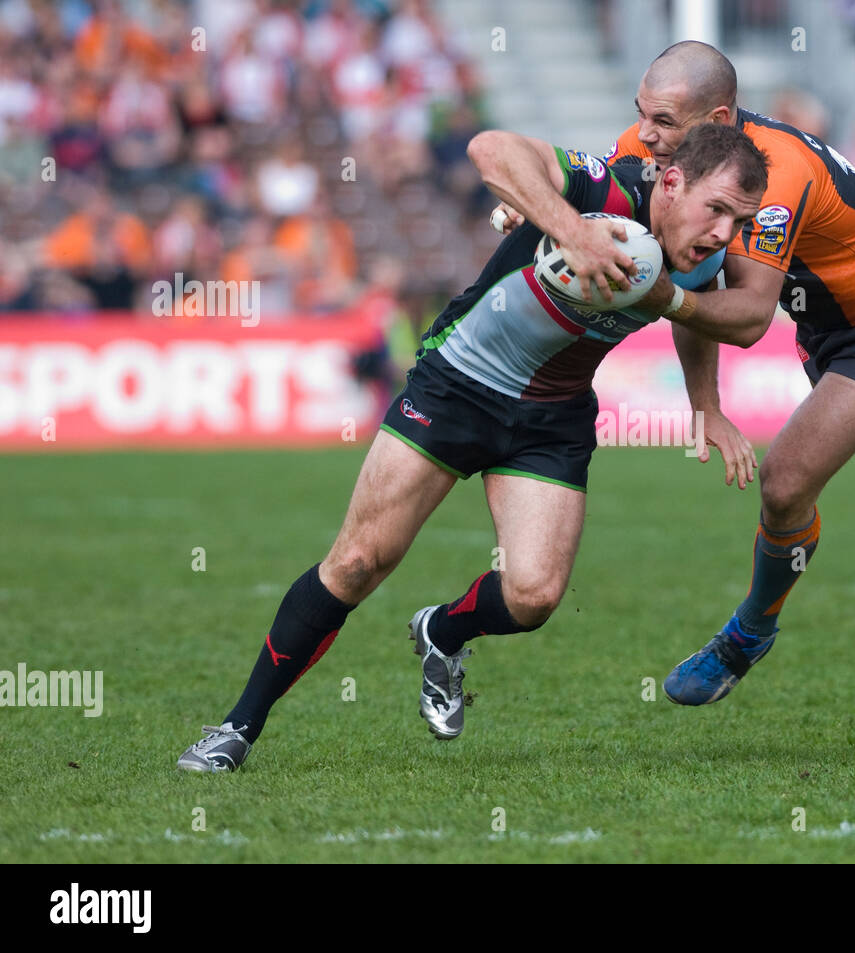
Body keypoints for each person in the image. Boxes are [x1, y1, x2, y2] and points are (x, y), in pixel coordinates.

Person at [177, 122, 769, 771]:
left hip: (552, 417)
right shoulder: (609, 189)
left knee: (535, 595)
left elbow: (698, 315)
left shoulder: (705, 255)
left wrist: (706, 406)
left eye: (737, 220)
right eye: (716, 210)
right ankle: (236, 726)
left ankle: (443, 630)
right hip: (459, 383)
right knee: (356, 562)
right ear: (674, 182)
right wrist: (571, 229)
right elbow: (491, 150)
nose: (722, 233)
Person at [499, 41, 855, 707]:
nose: (645, 135)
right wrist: (542, 213)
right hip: (829, 321)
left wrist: (658, 300)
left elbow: (740, 316)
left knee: (785, 481)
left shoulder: (777, 176)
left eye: (662, 120)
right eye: (641, 115)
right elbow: (676, 257)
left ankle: (748, 634)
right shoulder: (655, 151)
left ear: (715, 117)